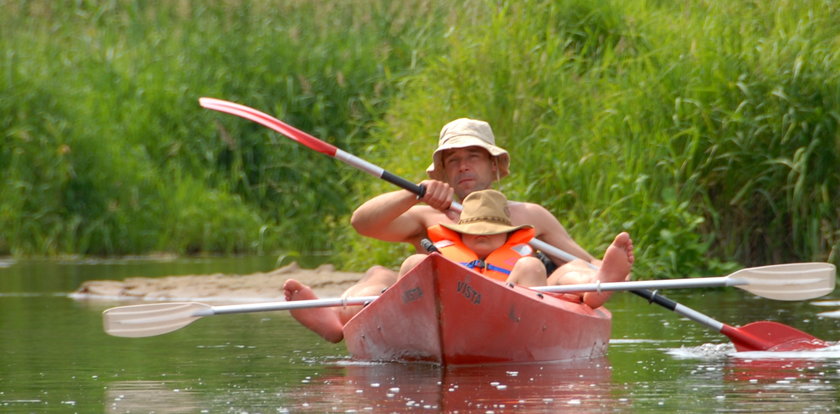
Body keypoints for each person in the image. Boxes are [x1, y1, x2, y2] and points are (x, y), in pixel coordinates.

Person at [283, 118, 634, 343]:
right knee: (380, 273)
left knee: (572, 272)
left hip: (517, 312)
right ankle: (337, 322)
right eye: (453, 160)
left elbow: (583, 261)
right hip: (441, 315)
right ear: (444, 172)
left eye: (473, 156)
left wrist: (598, 273)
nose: (463, 165)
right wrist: (412, 193)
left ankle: (597, 291)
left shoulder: (530, 215)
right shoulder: (427, 216)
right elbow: (363, 223)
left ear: (494, 165)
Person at [397, 189, 548, 287]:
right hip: (448, 310)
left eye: (491, 230)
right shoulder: (440, 257)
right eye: (473, 229)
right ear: (460, 234)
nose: (482, 233)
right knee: (414, 261)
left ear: (507, 235)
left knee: (532, 266)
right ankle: (400, 328)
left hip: (508, 316)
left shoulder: (522, 265)